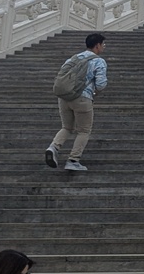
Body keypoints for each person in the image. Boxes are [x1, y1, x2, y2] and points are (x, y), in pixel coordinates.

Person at [45, 33, 106, 173]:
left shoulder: (73, 58)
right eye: (103, 44)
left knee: (67, 127)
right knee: (84, 130)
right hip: (83, 98)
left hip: (64, 97)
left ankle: (53, 147)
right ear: (97, 45)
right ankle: (73, 160)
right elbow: (101, 84)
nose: (104, 47)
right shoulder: (99, 61)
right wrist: (95, 92)